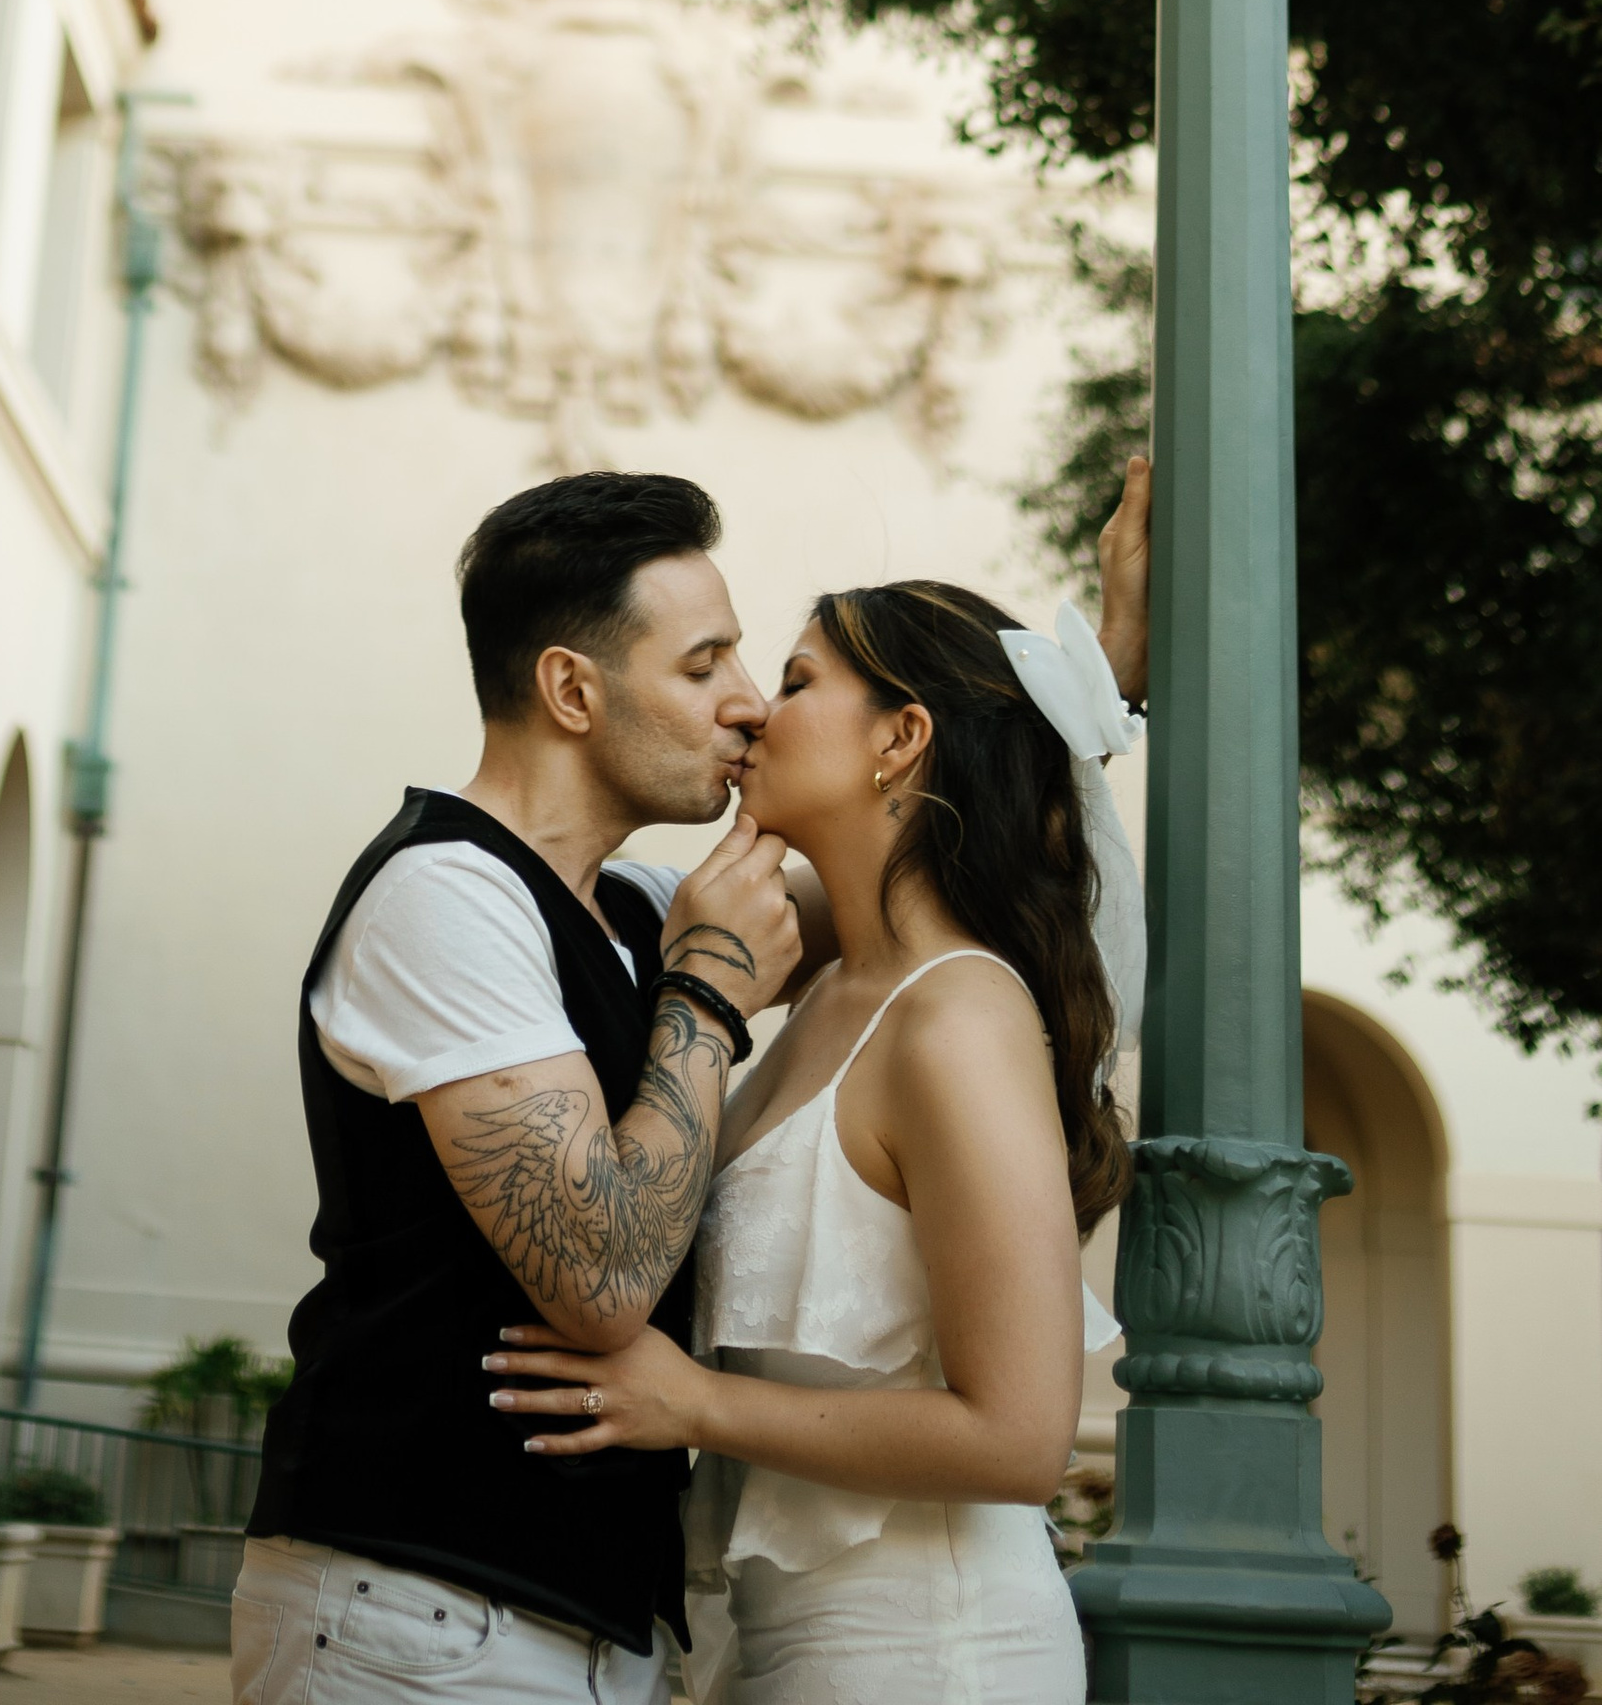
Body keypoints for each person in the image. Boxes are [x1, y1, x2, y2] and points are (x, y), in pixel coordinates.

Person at [485, 545, 1151, 1705]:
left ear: (898, 739)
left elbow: (1020, 1437)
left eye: (794, 683)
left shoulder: (955, 1021)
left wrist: (689, 1405)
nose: (749, 712)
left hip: (933, 1656)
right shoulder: (826, 981)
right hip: (783, 1642)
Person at [233, 470, 802, 1705]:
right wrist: (705, 997)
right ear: (570, 690)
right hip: (422, 1616)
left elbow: (917, 893)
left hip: (571, 1622)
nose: (750, 706)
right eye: (704, 667)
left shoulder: (639, 912)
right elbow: (599, 1275)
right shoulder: (444, 898)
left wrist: (1100, 692)